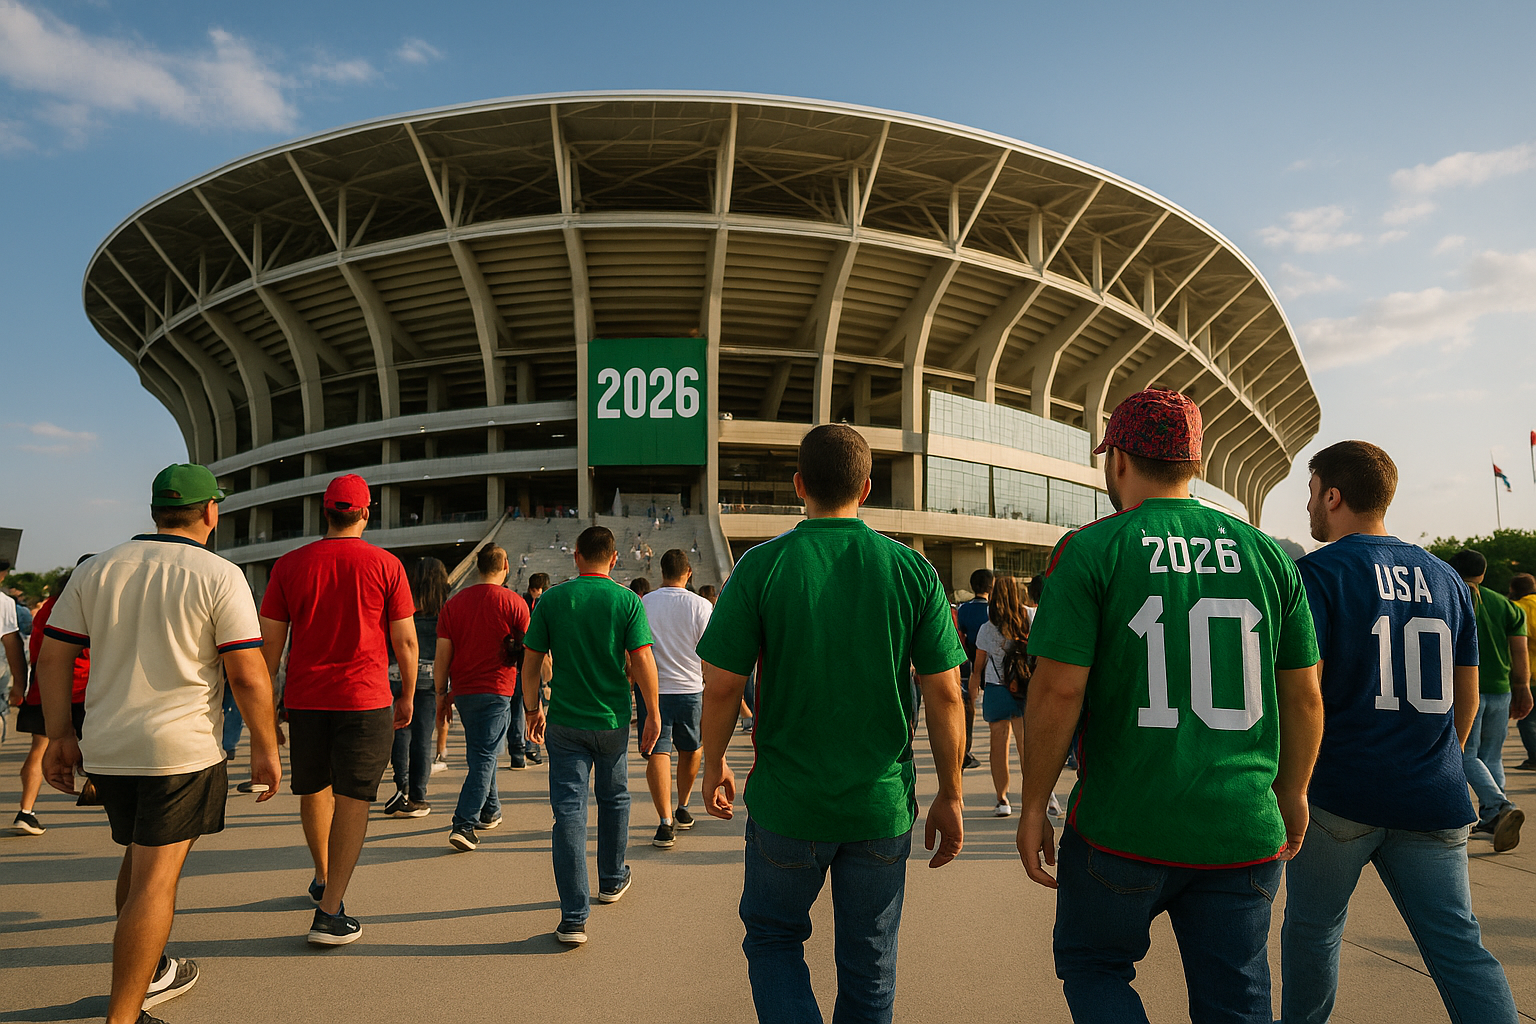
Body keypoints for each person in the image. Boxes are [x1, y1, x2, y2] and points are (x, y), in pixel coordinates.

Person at [1016, 388, 1323, 1024]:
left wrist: (1034, 803)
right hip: (1240, 824)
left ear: (1119, 460)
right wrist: (1293, 792)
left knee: (1095, 966)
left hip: (1122, 824)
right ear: (1196, 463)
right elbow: (1303, 694)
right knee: (1236, 999)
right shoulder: (1269, 554)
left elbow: (1059, 688)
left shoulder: (1093, 548)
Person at [697, 424, 967, 1024]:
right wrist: (951, 793)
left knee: (773, 938)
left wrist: (714, 766)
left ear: (799, 486)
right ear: (867, 488)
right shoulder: (912, 570)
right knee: (869, 962)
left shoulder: (761, 566)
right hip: (879, 805)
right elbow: (946, 692)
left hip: (787, 804)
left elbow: (722, 686)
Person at [1280, 440, 1517, 1023]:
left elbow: (1304, 694)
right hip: (1431, 793)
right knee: (1460, 948)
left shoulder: (1317, 574)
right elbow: (1465, 694)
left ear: (1333, 496)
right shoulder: (1448, 579)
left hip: (1340, 790)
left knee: (1313, 934)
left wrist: (1292, 784)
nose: (1308, 506)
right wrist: (1438, 759)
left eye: (1311, 492)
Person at [36, 463, 279, 1024]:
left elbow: (53, 656)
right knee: (155, 881)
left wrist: (60, 735)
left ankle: (152, 969)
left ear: (154, 510)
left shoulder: (97, 567)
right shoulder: (220, 574)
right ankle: (125, 1016)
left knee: (138, 857)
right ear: (211, 511)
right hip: (180, 749)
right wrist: (266, 746)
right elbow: (247, 673)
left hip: (108, 746)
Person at [258, 473, 417, 947]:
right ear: (365, 513)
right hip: (365, 698)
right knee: (354, 797)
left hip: (306, 698)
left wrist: (266, 709)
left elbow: (269, 648)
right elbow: (406, 641)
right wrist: (408, 693)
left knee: (314, 787)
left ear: (325, 512)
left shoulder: (288, 565)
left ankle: (323, 875)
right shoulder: (386, 565)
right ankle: (329, 912)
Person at [521, 526, 661, 944]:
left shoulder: (552, 599)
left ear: (576, 555)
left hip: (565, 721)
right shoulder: (627, 601)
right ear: (615, 558)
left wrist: (532, 709)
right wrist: (653, 713)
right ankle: (612, 878)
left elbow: (531, 664)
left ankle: (573, 917)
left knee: (569, 813)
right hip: (612, 720)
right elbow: (642, 661)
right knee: (615, 798)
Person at [436, 545, 530, 850]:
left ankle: (491, 810)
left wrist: (440, 694)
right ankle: (464, 823)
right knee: (485, 756)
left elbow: (442, 654)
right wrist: (534, 699)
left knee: (480, 752)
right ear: (505, 565)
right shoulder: (514, 602)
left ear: (478, 566)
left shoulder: (454, 604)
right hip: (497, 687)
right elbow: (531, 649)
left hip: (463, 690)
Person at [1448, 548, 1531, 850]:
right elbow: (1519, 650)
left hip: (1466, 690)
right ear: (1483, 573)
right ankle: (1492, 818)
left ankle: (1499, 805)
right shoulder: (1507, 606)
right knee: (1492, 756)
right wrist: (1523, 686)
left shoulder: (1451, 597)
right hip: (1501, 690)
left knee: (1465, 754)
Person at [638, 548, 713, 849]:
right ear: (688, 573)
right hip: (690, 688)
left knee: (658, 752)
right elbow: (709, 652)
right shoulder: (701, 605)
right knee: (691, 749)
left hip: (654, 690)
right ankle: (682, 805)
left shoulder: (645, 602)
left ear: (661, 571)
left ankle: (665, 821)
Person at [12, 565, 92, 834]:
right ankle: (99, 790)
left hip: (44, 688)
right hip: (82, 687)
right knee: (96, 745)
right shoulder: (85, 605)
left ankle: (25, 811)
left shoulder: (49, 606)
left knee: (39, 749)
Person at [972, 576, 1058, 819]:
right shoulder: (1030, 616)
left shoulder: (987, 628)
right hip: (1024, 688)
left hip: (996, 688)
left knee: (998, 745)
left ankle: (1002, 800)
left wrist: (972, 692)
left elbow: (979, 665)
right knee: (1026, 745)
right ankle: (1039, 798)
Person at [384, 557, 450, 818]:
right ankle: (417, 796)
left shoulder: (403, 602)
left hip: (397, 673)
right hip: (430, 678)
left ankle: (401, 787)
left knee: (400, 732)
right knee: (423, 738)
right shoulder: (444, 608)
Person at [954, 568, 992, 770]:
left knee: (969, 706)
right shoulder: (993, 610)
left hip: (969, 661)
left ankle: (966, 748)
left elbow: (961, 634)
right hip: (991, 663)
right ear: (991, 587)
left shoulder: (963, 609)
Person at [1509, 573, 1536, 770]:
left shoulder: (1517, 609)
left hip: (1531, 675)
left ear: (1513, 589)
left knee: (1527, 721)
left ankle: (1534, 758)